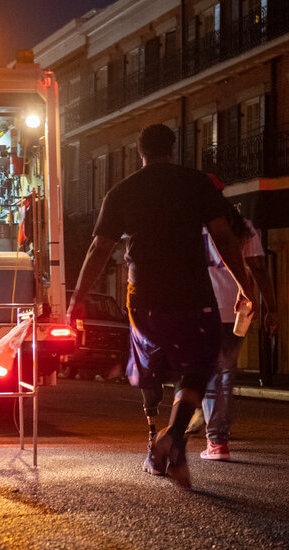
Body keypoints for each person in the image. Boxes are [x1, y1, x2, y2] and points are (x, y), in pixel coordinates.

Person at [68, 124, 254, 489]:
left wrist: (77, 298)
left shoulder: (122, 191)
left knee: (149, 366)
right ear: (173, 148)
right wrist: (245, 286)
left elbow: (99, 249)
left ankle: (155, 441)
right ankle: (174, 441)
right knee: (199, 366)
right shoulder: (197, 183)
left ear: (140, 152)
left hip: (144, 294)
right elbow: (223, 236)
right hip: (192, 292)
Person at [198, 201, 278, 461]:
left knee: (209, 373)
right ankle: (218, 435)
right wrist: (272, 307)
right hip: (238, 309)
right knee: (225, 373)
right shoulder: (244, 228)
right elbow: (259, 268)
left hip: (204, 308)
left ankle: (216, 439)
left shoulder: (197, 229)